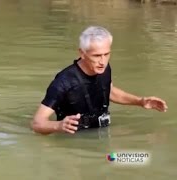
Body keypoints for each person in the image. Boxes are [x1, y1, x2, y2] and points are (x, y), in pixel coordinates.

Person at [31, 26, 168, 135]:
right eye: (96, 56)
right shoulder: (63, 82)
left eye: (106, 54)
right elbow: (37, 123)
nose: (102, 61)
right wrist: (59, 126)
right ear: (82, 53)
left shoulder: (103, 68)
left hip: (101, 132)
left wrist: (140, 101)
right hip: (73, 140)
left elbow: (109, 91)